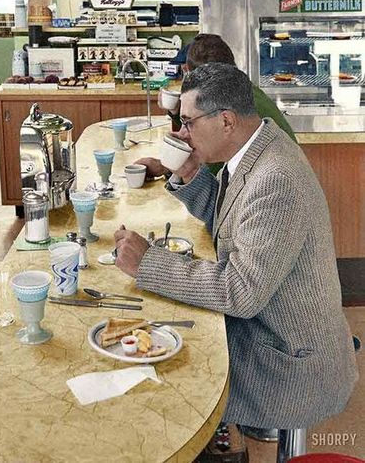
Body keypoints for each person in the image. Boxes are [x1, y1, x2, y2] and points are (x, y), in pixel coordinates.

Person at [114, 64, 357, 452]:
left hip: (288, 362)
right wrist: (193, 175)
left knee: (168, 372)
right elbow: (233, 221)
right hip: (270, 330)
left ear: (225, 120)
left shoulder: (275, 178)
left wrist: (148, 264)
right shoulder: (256, 149)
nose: (181, 133)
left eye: (188, 122)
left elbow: (239, 291)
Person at [148, 33, 296, 181]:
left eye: (188, 75)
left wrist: (171, 168)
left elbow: (213, 179)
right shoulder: (243, 94)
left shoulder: (233, 111)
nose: (185, 134)